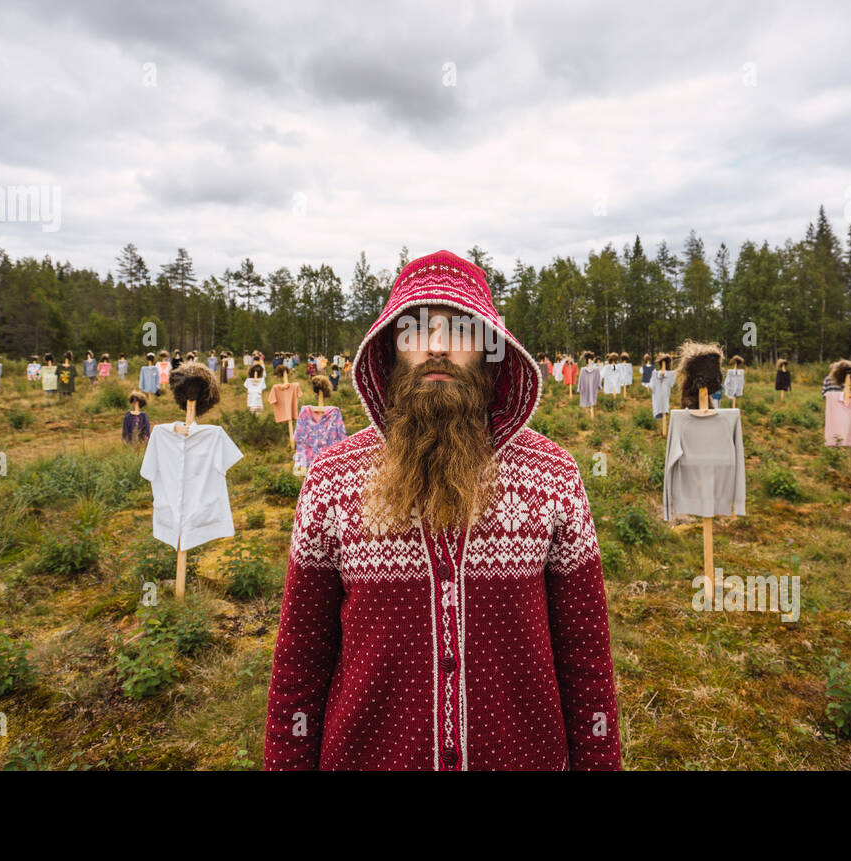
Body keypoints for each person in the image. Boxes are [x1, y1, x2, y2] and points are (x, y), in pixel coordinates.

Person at [264, 249, 622, 771]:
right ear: (390, 349)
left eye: (459, 330)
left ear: (490, 350)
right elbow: (300, 663)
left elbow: (586, 661)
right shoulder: (332, 479)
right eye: (415, 330)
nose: (435, 346)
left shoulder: (554, 476)